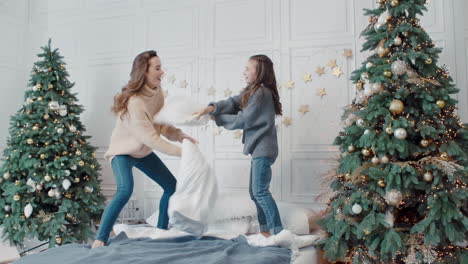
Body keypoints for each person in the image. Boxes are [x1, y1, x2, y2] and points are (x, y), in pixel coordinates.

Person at [92, 51, 197, 248]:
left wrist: (179, 136)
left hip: (143, 152)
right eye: (157, 68)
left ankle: (161, 232)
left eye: (161, 67)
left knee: (170, 186)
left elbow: (162, 126)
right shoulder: (135, 102)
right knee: (125, 190)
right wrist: (182, 153)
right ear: (144, 72)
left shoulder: (158, 94)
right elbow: (150, 137)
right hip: (122, 152)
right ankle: (100, 238)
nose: (162, 72)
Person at [194, 54, 283, 237]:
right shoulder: (253, 91)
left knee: (260, 191)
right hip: (260, 149)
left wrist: (217, 118)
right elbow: (234, 102)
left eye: (248, 68)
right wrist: (211, 108)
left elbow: (245, 119)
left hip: (263, 148)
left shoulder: (262, 93)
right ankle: (266, 230)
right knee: (255, 192)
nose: (244, 72)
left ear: (259, 72)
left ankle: (277, 231)